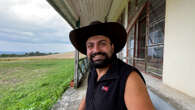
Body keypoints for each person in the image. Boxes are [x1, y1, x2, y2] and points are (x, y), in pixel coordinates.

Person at [69, 21, 155, 110]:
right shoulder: (93, 70)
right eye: (90, 46)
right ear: (87, 50)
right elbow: (89, 94)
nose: (96, 50)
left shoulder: (129, 78)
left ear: (112, 47)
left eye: (102, 43)